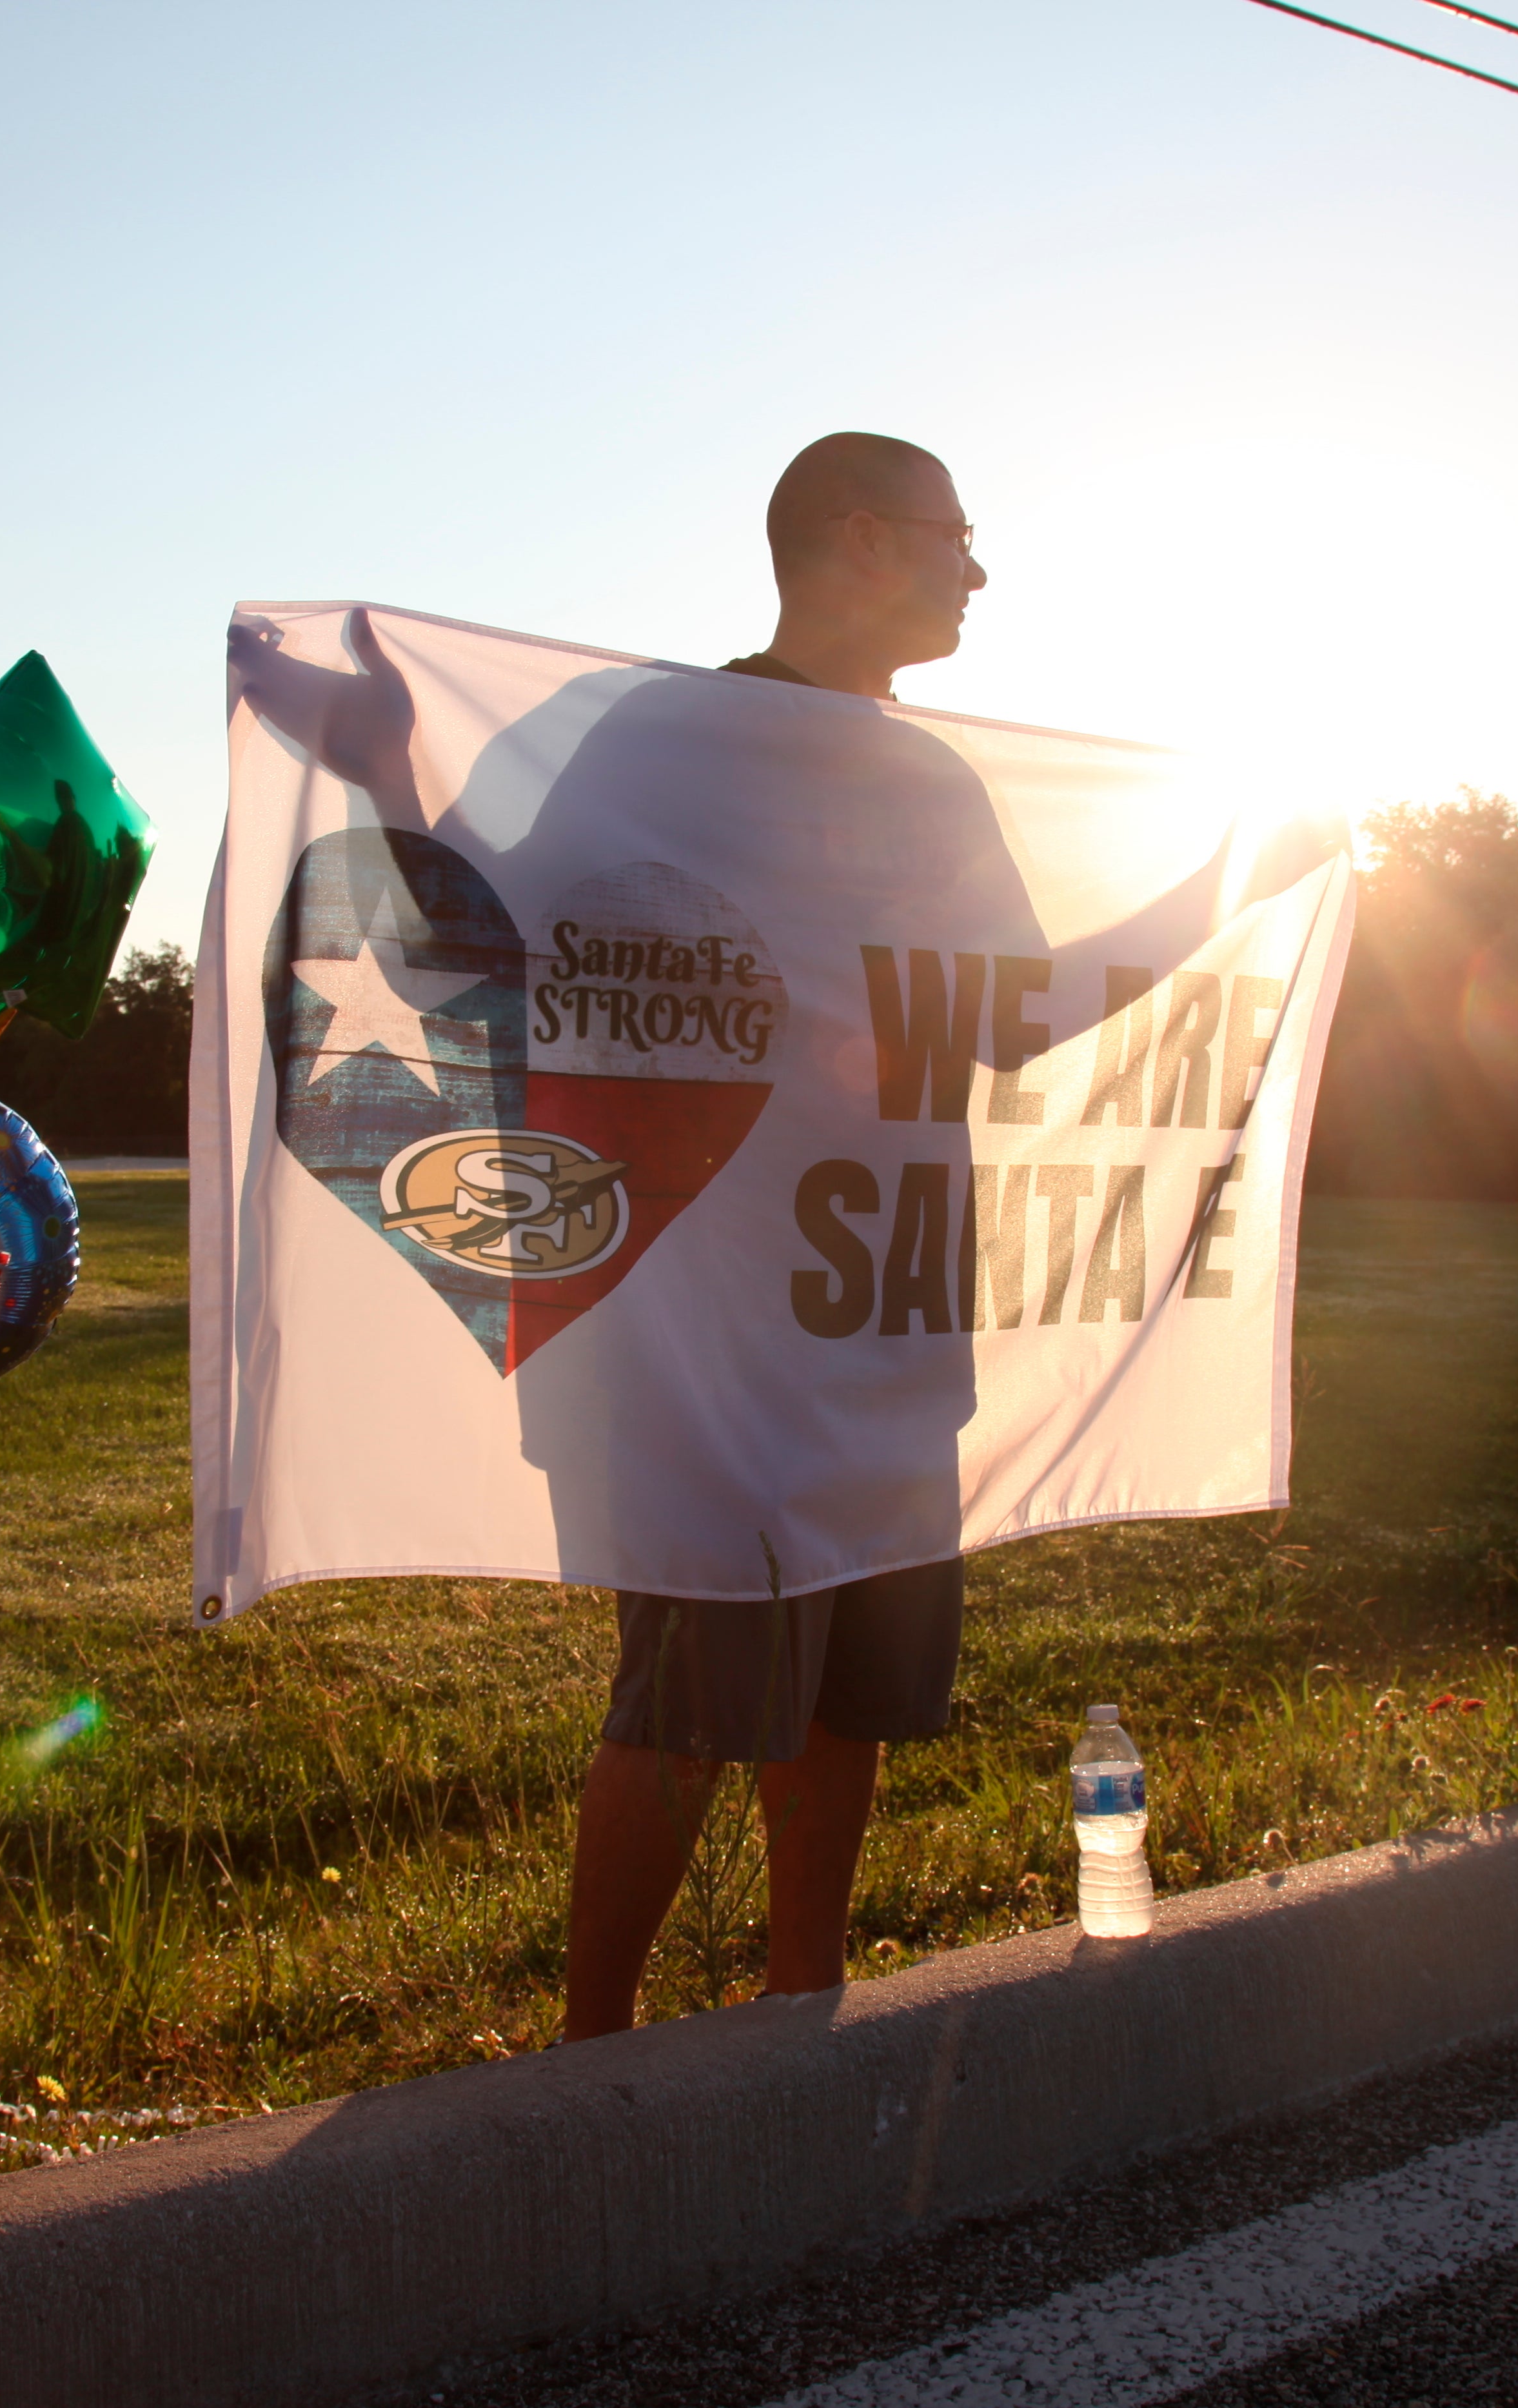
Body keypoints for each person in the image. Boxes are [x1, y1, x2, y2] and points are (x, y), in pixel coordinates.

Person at [558, 433, 988, 2038]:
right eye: (960, 536)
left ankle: (801, 1997)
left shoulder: (932, 776)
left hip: (880, 1306)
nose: (978, 572)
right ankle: (585, 2049)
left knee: (844, 1691)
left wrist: (1228, 891)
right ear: (865, 539)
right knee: (688, 1696)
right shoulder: (670, 741)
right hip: (709, 1336)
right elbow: (505, 914)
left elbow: (1005, 1015)